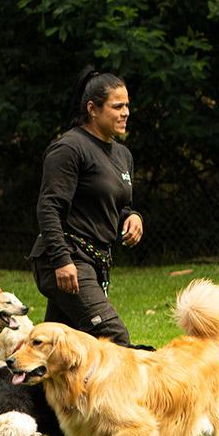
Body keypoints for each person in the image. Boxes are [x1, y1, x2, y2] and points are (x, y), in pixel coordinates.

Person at [29, 66, 144, 346]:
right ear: (93, 109)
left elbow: (117, 205)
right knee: (113, 337)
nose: (126, 112)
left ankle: (17, 391)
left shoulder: (122, 154)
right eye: (117, 106)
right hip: (65, 260)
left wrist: (133, 217)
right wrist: (62, 261)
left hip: (95, 263)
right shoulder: (69, 149)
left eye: (127, 105)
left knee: (56, 350)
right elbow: (49, 208)